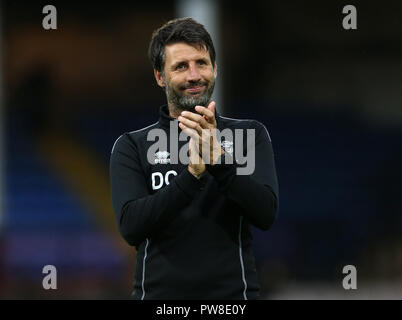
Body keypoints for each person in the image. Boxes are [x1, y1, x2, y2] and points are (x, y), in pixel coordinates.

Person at [109, 17, 279, 300]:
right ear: (160, 76)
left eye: (201, 63)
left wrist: (221, 164)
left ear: (215, 68)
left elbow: (265, 214)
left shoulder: (250, 134)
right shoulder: (132, 145)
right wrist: (191, 177)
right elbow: (131, 227)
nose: (193, 75)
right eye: (180, 66)